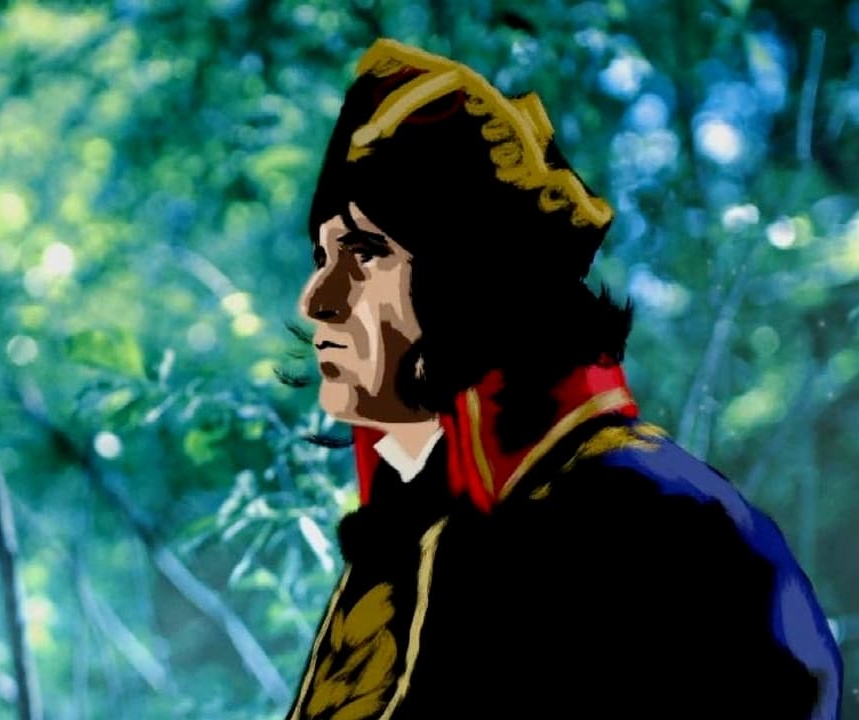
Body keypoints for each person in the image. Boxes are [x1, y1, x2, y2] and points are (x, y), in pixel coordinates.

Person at [285, 38, 843, 719]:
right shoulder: (406, 539)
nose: (317, 300)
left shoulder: (651, 521)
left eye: (366, 253)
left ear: (471, 280)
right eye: (323, 256)